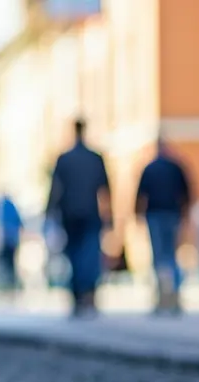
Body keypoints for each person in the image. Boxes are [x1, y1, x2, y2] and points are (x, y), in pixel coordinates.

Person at [46, 118, 112, 317]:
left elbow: (55, 188)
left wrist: (50, 211)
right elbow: (106, 189)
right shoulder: (95, 158)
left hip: (70, 213)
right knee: (89, 254)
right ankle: (87, 293)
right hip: (90, 212)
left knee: (75, 254)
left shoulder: (64, 159)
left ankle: (78, 294)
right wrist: (109, 216)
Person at [135, 137, 192, 315]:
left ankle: (162, 296)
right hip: (172, 214)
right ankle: (173, 295)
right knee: (171, 255)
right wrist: (185, 214)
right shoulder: (176, 167)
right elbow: (187, 193)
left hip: (155, 214)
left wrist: (137, 215)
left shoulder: (150, 168)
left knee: (159, 256)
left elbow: (140, 195)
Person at [0, 193, 24, 293]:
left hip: (6, 240)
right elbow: (20, 222)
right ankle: (10, 281)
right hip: (12, 240)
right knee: (10, 261)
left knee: (6, 261)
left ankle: (7, 282)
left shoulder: (1, 207)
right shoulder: (11, 206)